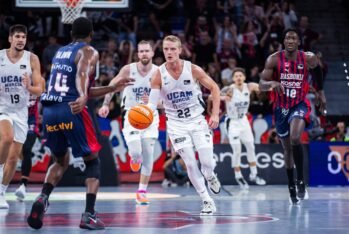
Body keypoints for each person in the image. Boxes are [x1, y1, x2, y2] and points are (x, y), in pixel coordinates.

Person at [26, 17, 133, 230]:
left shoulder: (60, 53)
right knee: (92, 162)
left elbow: (77, 88)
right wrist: (83, 96)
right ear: (91, 34)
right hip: (72, 109)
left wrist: (111, 89)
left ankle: (42, 198)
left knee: (60, 160)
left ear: (71, 34)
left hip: (50, 110)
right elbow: (82, 76)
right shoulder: (89, 51)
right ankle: (89, 215)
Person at [147, 35, 221, 215]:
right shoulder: (158, 75)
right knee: (190, 163)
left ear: (180, 50)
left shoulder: (192, 69)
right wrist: (145, 110)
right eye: (166, 49)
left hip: (197, 121)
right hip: (176, 125)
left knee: (207, 163)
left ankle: (211, 176)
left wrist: (215, 113)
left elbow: (214, 88)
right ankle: (206, 200)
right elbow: (153, 104)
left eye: (173, 49)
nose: (169, 52)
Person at [259, 28, 326, 205]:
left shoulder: (308, 57)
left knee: (296, 138)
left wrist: (320, 91)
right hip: (280, 107)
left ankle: (301, 181)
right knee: (287, 149)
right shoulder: (273, 59)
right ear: (284, 41)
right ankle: (291, 185)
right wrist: (272, 83)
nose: (290, 40)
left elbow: (318, 69)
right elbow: (261, 85)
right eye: (287, 37)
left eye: (293, 38)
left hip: (299, 104)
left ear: (298, 42)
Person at [98, 40, 159, 205]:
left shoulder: (159, 72)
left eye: (147, 51)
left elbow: (165, 99)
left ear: (152, 53)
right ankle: (134, 157)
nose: (144, 54)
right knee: (137, 152)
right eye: (141, 51)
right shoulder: (128, 70)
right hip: (132, 115)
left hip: (150, 116)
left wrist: (154, 101)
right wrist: (105, 104)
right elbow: (112, 85)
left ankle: (141, 191)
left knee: (148, 154)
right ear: (138, 54)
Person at [0, 24, 43, 209]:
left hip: (21, 112)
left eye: (23, 37)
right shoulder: (0, 57)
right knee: (7, 138)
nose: (20, 40)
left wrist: (28, 87)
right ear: (10, 39)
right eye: (17, 36)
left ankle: (1, 191)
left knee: (14, 157)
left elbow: (40, 90)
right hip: (2, 108)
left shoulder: (32, 59)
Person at [218, 68, 266, 189]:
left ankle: (254, 174)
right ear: (233, 79)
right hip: (232, 122)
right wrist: (223, 98)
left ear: (244, 77)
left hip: (244, 121)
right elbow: (213, 97)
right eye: (236, 76)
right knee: (237, 150)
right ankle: (238, 176)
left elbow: (263, 87)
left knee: (251, 146)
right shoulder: (228, 89)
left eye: (240, 75)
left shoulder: (249, 86)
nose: (238, 78)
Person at [15, 77, 46, 201]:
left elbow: (43, 95)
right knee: (14, 151)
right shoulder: (14, 77)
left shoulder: (40, 80)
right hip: (15, 117)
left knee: (27, 149)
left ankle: (23, 185)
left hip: (31, 119)